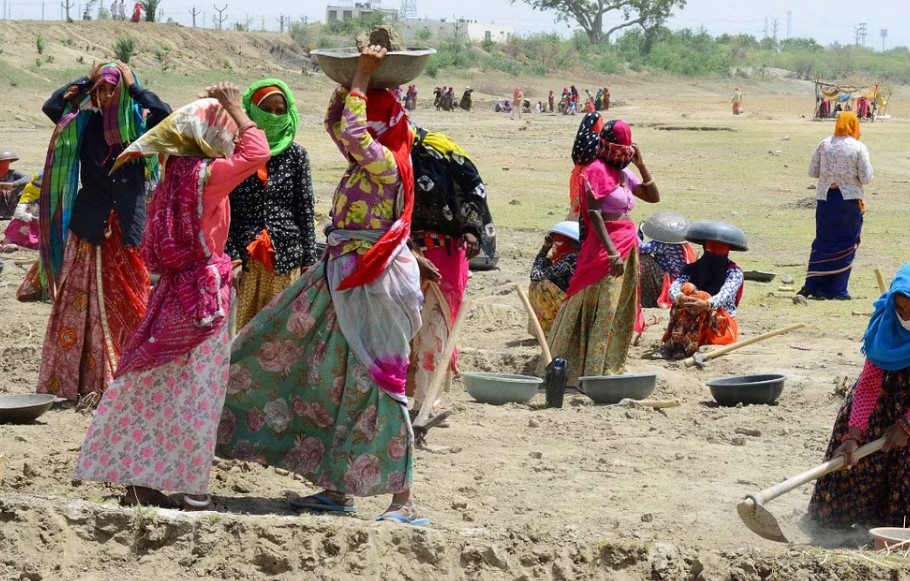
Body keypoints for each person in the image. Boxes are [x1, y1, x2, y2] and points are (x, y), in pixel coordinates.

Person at [218, 45, 428, 525]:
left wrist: (362, 75)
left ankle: (404, 501)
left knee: (383, 384)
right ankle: (338, 489)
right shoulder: (369, 161)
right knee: (339, 375)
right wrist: (351, 82)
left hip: (375, 282)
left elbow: (350, 130)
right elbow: (340, 125)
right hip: (347, 274)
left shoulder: (386, 165)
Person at [73, 84, 269, 510]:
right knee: (198, 391)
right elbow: (258, 153)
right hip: (200, 297)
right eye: (225, 129)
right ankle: (186, 485)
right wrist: (238, 108)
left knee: (157, 384)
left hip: (170, 292)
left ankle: (141, 481)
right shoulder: (208, 177)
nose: (232, 135)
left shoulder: (172, 172)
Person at [35, 61, 171, 402]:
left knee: (134, 300)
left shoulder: (142, 128)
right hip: (90, 225)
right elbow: (53, 107)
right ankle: (86, 380)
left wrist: (135, 88)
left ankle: (129, 375)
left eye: (112, 89)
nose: (107, 95)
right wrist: (85, 80)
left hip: (127, 226)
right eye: (101, 91)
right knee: (83, 304)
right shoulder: (85, 125)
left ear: (122, 91)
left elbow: (166, 113)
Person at [543, 115, 659, 385]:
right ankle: (584, 370)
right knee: (600, 305)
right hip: (605, 247)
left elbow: (653, 197)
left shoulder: (623, 174)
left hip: (628, 245)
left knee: (619, 308)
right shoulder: (595, 170)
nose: (625, 156)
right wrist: (611, 252)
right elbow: (594, 214)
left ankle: (607, 366)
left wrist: (642, 165)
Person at [808, 265, 910, 528]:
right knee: (856, 440)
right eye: (900, 309)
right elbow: (869, 384)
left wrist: (906, 425)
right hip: (886, 398)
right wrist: (853, 435)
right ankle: (842, 519)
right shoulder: (885, 325)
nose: (906, 316)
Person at [406, 124, 494, 417]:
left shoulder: (442, 152)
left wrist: (472, 230)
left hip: (446, 252)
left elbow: (474, 191)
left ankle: (425, 403)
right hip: (402, 253)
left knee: (436, 329)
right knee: (406, 330)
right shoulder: (381, 157)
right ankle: (410, 399)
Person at [226, 79, 317, 331]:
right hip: (245, 263)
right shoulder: (237, 153)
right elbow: (225, 210)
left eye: (280, 111)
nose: (275, 116)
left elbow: (305, 210)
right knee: (242, 335)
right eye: (267, 110)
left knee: (280, 337)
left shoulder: (297, 156)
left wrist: (309, 260)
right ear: (252, 111)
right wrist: (232, 257)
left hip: (286, 260)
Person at [796, 112, 872, 301]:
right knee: (846, 243)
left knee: (824, 241)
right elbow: (866, 177)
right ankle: (837, 290)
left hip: (826, 200)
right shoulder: (858, 147)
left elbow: (812, 171)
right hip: (849, 201)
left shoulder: (824, 144)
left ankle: (813, 285)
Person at [659, 222, 745, 359]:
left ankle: (683, 346)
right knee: (686, 289)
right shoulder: (691, 268)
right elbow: (674, 287)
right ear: (705, 247)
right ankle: (678, 344)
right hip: (688, 315)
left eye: (721, 248)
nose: (716, 251)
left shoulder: (734, 272)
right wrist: (680, 297)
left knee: (701, 295)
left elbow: (725, 294)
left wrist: (707, 304)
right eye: (712, 247)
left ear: (728, 249)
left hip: (719, 323)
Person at [528, 221, 579, 337]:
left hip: (571, 307)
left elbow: (535, 276)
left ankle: (550, 331)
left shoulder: (571, 259)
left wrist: (543, 251)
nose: (555, 245)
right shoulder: (573, 257)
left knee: (541, 286)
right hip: (573, 304)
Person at [638, 211, 695, 309]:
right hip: (681, 280)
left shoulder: (663, 245)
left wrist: (639, 233)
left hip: (670, 282)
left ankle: (648, 298)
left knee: (644, 259)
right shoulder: (682, 244)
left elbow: (639, 248)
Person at [2, 171, 42, 250]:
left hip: (40, 225)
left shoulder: (51, 197)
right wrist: (33, 218)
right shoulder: (28, 196)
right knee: (18, 223)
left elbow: (27, 177)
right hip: (26, 223)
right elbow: (18, 213)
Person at [0, 149, 30, 219]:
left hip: (13, 205)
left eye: (7, 162)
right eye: (2, 162)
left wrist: (13, 184)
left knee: (26, 186)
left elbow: (28, 178)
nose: (5, 164)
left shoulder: (12, 173)